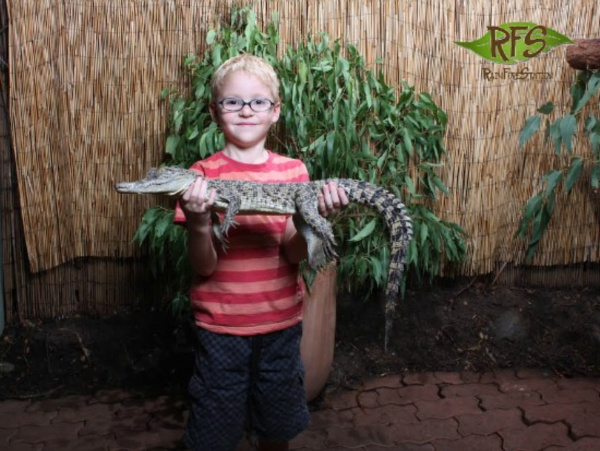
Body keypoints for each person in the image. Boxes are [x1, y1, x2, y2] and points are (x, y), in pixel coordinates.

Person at [173, 53, 349, 451]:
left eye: (258, 102)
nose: (246, 111)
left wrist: (317, 219)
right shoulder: (200, 178)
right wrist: (200, 221)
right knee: (214, 434)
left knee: (277, 429)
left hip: (281, 327)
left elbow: (292, 253)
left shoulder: (294, 172)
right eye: (232, 101)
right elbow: (204, 266)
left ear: (275, 112)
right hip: (220, 329)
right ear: (215, 112)